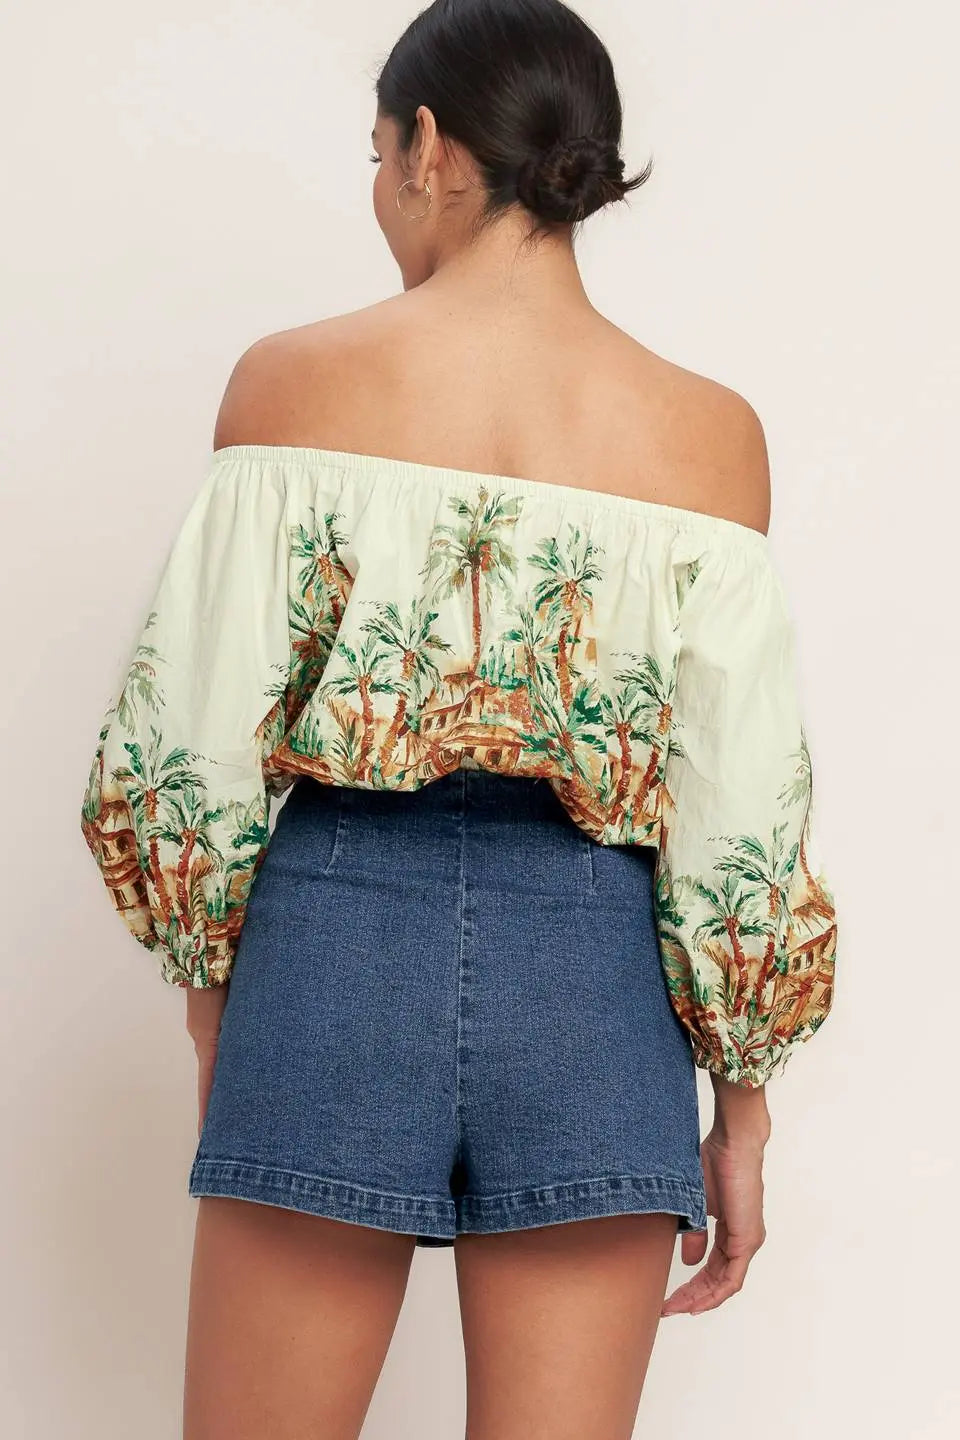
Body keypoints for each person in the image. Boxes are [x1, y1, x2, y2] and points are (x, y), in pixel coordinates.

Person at [78, 1, 838, 1435]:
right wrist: (740, 1114)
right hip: (597, 986)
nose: (381, 193)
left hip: (330, 947)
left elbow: (185, 760)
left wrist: (216, 1015)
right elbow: (742, 815)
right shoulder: (711, 436)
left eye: (378, 156)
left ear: (428, 145)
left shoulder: (293, 384)